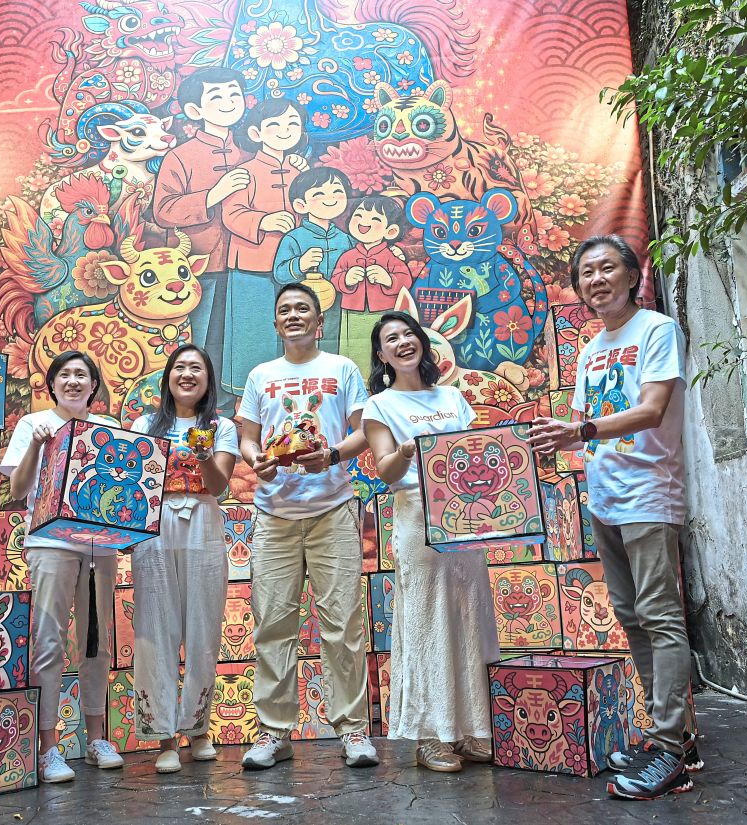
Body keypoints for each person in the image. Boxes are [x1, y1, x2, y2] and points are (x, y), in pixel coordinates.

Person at [529, 234, 701, 801]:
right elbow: (585, 427)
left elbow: (651, 410)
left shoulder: (656, 330)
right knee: (631, 615)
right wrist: (560, 440)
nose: (596, 280)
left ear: (632, 276)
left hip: (649, 493)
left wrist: (578, 430)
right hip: (605, 495)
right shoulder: (590, 349)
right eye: (586, 273)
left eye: (607, 268)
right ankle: (672, 736)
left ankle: (669, 750)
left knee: (660, 616)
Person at [236, 282, 376, 770]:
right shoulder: (260, 375)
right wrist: (257, 461)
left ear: (319, 321)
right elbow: (248, 438)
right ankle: (274, 733)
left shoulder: (342, 368)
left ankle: (353, 730)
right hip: (274, 513)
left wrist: (333, 455)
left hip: (332, 508)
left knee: (342, 624)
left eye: (302, 309)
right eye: (285, 310)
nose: (293, 315)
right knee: (273, 624)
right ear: (275, 323)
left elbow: (364, 431)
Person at [360, 311, 499, 772]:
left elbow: (475, 453)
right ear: (381, 355)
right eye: (391, 339)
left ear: (422, 342)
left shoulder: (453, 397)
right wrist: (404, 452)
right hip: (417, 515)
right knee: (426, 619)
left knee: (469, 615)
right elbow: (385, 470)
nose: (402, 342)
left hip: (464, 515)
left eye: (408, 334)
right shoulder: (380, 406)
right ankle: (430, 736)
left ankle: (472, 729)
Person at [0, 350, 123, 783]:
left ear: (94, 386)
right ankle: (48, 747)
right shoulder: (32, 424)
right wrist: (37, 445)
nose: (73, 381)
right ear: (51, 384)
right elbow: (17, 490)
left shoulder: (108, 428)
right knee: (49, 641)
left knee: (96, 643)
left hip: (99, 548)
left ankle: (96, 739)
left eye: (82, 375)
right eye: (65, 375)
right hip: (49, 542)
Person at [130, 345, 239, 773]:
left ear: (208, 379)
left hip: (203, 522)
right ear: (168, 378)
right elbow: (135, 480)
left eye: (197, 368)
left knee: (203, 628)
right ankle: (163, 737)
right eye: (180, 367)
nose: (188, 374)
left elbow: (219, 485)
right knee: (155, 628)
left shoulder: (221, 426)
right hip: (156, 524)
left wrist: (205, 456)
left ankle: (198, 729)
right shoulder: (144, 425)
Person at [152, 67, 253, 372]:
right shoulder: (180, 156)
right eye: (217, 96)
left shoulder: (250, 154)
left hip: (244, 264)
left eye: (234, 94)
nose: (229, 102)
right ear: (195, 110)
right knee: (196, 339)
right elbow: (163, 210)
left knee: (236, 339)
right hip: (197, 266)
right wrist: (212, 195)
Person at [221, 98, 309, 396]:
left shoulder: (300, 171)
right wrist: (263, 221)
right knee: (252, 332)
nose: (285, 130)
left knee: (294, 331)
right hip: (251, 264)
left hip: (293, 265)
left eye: (293, 123)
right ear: (256, 133)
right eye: (275, 124)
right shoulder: (245, 171)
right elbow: (232, 214)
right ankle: (243, 394)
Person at [272, 166, 354, 353]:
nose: (330, 199)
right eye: (319, 194)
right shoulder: (293, 238)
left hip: (337, 306)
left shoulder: (345, 238)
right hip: (302, 309)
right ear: (301, 205)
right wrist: (300, 264)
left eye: (337, 192)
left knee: (333, 344)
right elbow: (279, 273)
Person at [331, 195, 413, 373]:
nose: (364, 223)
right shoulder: (347, 256)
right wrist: (346, 279)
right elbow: (336, 278)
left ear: (390, 231)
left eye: (375, 219)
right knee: (352, 346)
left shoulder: (391, 256)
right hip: (352, 311)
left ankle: (381, 376)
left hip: (383, 312)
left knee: (380, 345)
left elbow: (405, 280)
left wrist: (388, 280)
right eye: (358, 215)